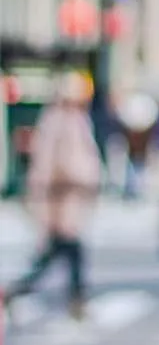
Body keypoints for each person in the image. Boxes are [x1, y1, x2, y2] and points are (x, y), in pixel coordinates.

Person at [4, 71, 103, 320]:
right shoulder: (59, 121)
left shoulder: (73, 119)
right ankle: (74, 300)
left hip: (68, 199)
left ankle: (16, 293)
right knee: (68, 253)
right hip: (62, 200)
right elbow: (49, 165)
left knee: (55, 256)